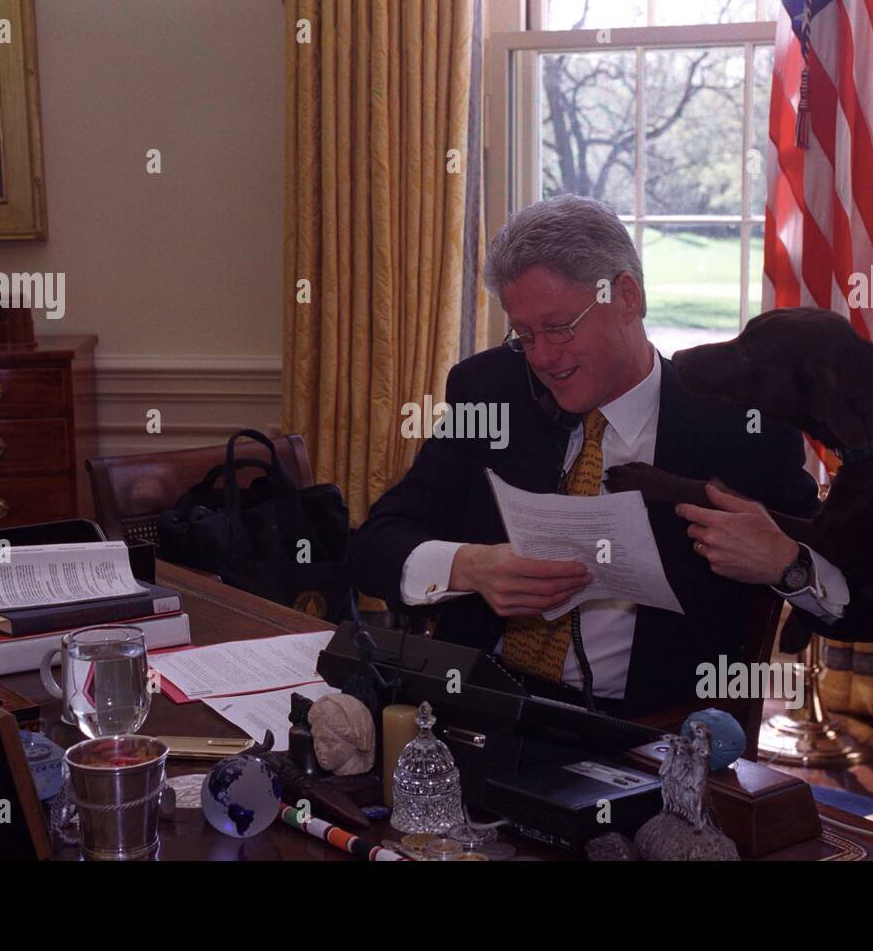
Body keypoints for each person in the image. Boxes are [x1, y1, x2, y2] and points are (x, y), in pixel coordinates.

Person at [351, 195, 846, 717]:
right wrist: (469, 567)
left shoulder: (742, 428)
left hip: (645, 736)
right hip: (477, 708)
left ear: (626, 296)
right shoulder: (489, 390)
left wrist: (786, 565)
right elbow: (375, 546)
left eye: (560, 327)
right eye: (524, 335)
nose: (542, 357)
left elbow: (852, 599)